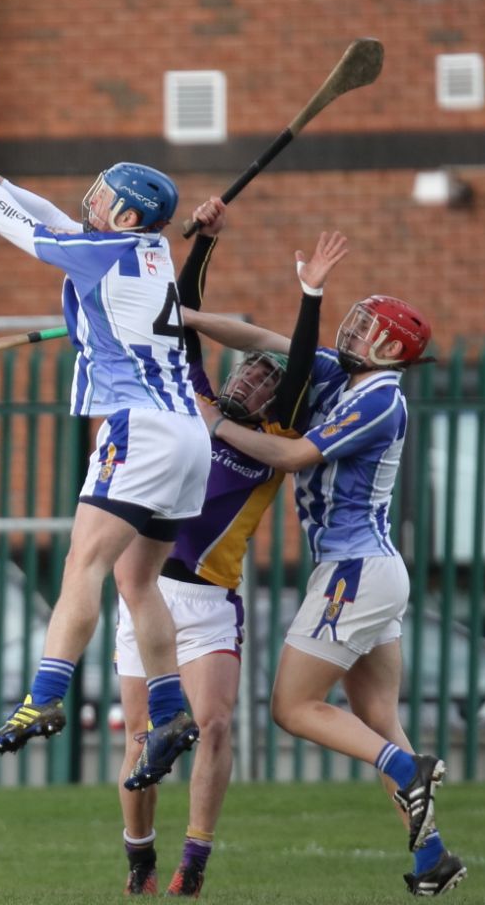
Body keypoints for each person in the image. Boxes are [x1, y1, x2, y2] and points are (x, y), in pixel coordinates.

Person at [0, 125, 211, 789]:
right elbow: (42, 215)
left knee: (85, 562)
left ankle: (45, 696)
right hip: (188, 435)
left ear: (127, 217)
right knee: (137, 583)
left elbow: (18, 229)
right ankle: (168, 710)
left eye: (104, 198)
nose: (90, 201)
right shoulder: (147, 249)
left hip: (142, 428)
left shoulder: (101, 258)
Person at [191, 293, 468, 896]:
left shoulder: (381, 397)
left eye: (369, 327)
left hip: (355, 573)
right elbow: (262, 340)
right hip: (373, 571)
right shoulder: (344, 376)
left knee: (291, 709)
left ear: (393, 350)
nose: (353, 329)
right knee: (376, 720)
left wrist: (214, 423)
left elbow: (293, 455)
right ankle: (433, 858)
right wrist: (185, 318)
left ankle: (409, 769)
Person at [116, 228, 350, 898]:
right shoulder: (195, 396)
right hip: (144, 593)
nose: (252, 375)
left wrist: (311, 294)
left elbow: (300, 362)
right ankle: (139, 857)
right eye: (248, 367)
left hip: (209, 601)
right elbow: (181, 318)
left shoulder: (273, 435)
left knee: (213, 724)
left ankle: (194, 861)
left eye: (265, 376)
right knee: (141, 737)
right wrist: (206, 241)